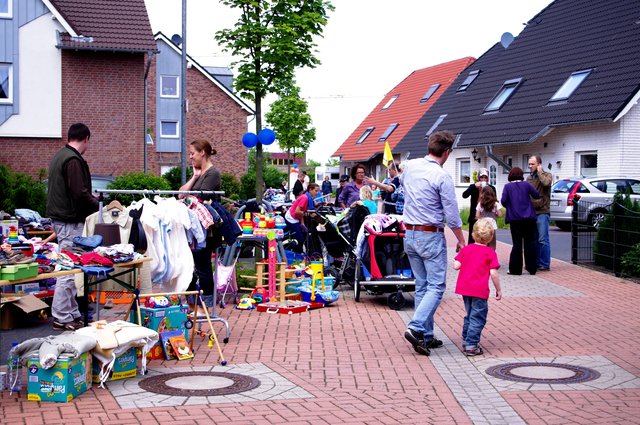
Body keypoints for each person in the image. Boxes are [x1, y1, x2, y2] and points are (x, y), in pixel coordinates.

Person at [401, 130, 466, 356]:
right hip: (430, 235)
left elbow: (403, 187)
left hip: (410, 234)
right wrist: (461, 240)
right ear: (447, 152)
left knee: (422, 285)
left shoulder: (410, 167)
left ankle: (425, 335)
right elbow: (452, 214)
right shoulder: (441, 176)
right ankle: (416, 327)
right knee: (436, 286)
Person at [46, 123, 99, 331]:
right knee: (68, 269)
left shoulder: (60, 156)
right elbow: (79, 193)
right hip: (69, 220)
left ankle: (71, 313)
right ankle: (61, 316)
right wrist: (97, 205)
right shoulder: (73, 160)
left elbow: (73, 191)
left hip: (62, 218)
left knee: (71, 266)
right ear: (86, 138)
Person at [179, 139, 221, 307]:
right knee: (190, 264)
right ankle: (193, 303)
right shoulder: (199, 174)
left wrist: (187, 197)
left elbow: (199, 197)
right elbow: (180, 194)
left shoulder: (213, 173)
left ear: (202, 152)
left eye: (192, 153)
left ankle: (208, 304)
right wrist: (194, 177)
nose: (190, 157)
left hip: (206, 228)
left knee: (202, 265)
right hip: (194, 226)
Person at [453, 218, 502, 357]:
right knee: (478, 317)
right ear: (490, 237)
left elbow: (456, 266)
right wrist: (498, 289)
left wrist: (460, 256)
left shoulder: (467, 249)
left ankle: (466, 337)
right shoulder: (490, 252)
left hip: (465, 289)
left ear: (473, 234)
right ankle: (471, 344)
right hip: (479, 290)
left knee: (470, 314)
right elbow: (494, 273)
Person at [501, 167, 540, 275]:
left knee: (517, 243)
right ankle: (531, 268)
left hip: (515, 219)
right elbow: (536, 195)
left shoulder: (507, 187)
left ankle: (515, 270)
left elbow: (503, 201)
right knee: (530, 243)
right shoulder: (527, 184)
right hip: (529, 218)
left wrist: (510, 206)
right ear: (521, 175)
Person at [526, 155, 553, 271]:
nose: (530, 166)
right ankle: (535, 262)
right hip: (532, 212)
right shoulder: (528, 178)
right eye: (529, 164)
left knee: (543, 239)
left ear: (539, 165)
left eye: (532, 164)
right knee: (534, 239)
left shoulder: (547, 175)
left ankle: (544, 263)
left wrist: (540, 172)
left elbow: (546, 183)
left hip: (543, 211)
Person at [462, 168, 495, 244]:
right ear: (478, 178)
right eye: (481, 177)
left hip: (487, 217)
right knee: (472, 238)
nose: (483, 179)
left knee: (486, 239)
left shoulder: (491, 188)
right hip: (475, 216)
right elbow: (464, 195)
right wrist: (474, 186)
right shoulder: (473, 187)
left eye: (485, 177)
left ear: (488, 179)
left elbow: (494, 201)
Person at [284, 183, 320, 253]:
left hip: (295, 218)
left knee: (302, 236)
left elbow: (302, 210)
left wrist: (302, 224)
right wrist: (308, 214)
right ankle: (293, 252)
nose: (317, 193)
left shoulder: (307, 197)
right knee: (300, 239)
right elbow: (297, 211)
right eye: (316, 191)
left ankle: (298, 252)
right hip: (291, 218)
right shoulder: (305, 198)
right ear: (310, 190)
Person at [475, 186, 502, 250]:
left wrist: (481, 217)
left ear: (482, 194)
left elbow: (477, 215)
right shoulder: (495, 204)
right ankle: (491, 254)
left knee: (482, 242)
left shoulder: (480, 204)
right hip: (492, 226)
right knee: (492, 243)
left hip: (482, 226)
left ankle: (482, 254)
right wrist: (496, 215)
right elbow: (500, 215)